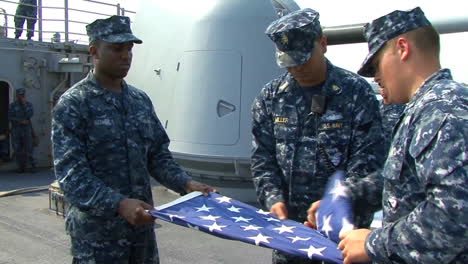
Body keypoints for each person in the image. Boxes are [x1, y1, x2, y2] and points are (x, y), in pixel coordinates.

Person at [52, 16, 216, 264]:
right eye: (117, 49)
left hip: (141, 236)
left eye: (129, 49)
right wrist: (119, 204)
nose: (125, 56)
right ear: (94, 51)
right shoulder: (74, 104)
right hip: (97, 241)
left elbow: (158, 156)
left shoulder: (139, 101)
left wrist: (186, 184)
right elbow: (72, 176)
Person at [311, 7, 467, 264]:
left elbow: (455, 214)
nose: (377, 77)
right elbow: (407, 182)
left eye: (375, 65)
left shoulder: (444, 110)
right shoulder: (426, 108)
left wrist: (374, 243)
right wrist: (346, 195)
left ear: (403, 49)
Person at [251, 8, 385, 264]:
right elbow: (263, 160)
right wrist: (273, 199)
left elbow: (369, 163)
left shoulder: (356, 94)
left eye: (303, 58)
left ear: (323, 44)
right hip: (290, 238)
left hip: (343, 238)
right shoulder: (270, 98)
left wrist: (337, 201)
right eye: (289, 61)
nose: (296, 68)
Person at [9, 88, 36, 173]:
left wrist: (24, 105)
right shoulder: (12, 106)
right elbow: (9, 117)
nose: (21, 97)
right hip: (16, 129)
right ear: (17, 95)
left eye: (22, 95)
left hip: (26, 129)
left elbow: (30, 114)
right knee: (17, 149)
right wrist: (20, 121)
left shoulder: (28, 105)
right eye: (19, 95)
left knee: (29, 148)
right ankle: (21, 167)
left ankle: (33, 166)